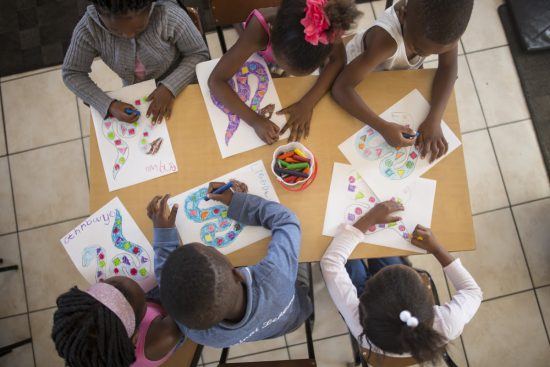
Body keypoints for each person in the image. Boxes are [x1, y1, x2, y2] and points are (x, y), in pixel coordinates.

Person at [148, 183, 312, 348]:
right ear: (238, 274)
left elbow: (167, 285)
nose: (211, 246)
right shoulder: (274, 275)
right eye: (210, 249)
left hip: (271, 329)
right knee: (303, 261)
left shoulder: (201, 335)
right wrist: (238, 202)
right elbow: (286, 221)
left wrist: (164, 235)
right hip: (295, 311)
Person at [321, 201, 482, 364]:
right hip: (380, 315)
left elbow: (331, 262)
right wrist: (437, 249)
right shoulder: (447, 324)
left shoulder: (360, 323)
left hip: (372, 311)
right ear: (429, 302)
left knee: (353, 262)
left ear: (366, 296)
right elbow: (473, 292)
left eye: (372, 282)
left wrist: (369, 218)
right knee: (383, 250)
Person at [332, 0, 474, 162]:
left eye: (433, 53)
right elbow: (341, 88)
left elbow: (449, 67)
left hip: (394, 80)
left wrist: (434, 119)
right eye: (419, 50)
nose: (425, 56)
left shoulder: (443, 31)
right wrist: (382, 127)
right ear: (403, 15)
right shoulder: (387, 42)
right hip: (360, 76)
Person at [208, 0, 360, 143]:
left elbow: (338, 60)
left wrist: (308, 102)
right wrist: (254, 120)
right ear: (273, 40)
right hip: (254, 45)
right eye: (286, 67)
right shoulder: (258, 30)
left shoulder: (327, 28)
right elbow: (216, 81)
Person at [63, 0, 209, 124]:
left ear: (150, 8)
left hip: (184, 81)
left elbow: (198, 53)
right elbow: (72, 73)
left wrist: (170, 87)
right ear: (99, 13)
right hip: (135, 90)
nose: (128, 36)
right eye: (115, 30)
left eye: (140, 28)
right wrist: (109, 105)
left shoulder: (168, 14)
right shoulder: (88, 29)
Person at [52, 277, 182, 367]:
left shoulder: (104, 349)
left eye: (104, 283)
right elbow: (187, 304)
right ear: (135, 338)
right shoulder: (164, 338)